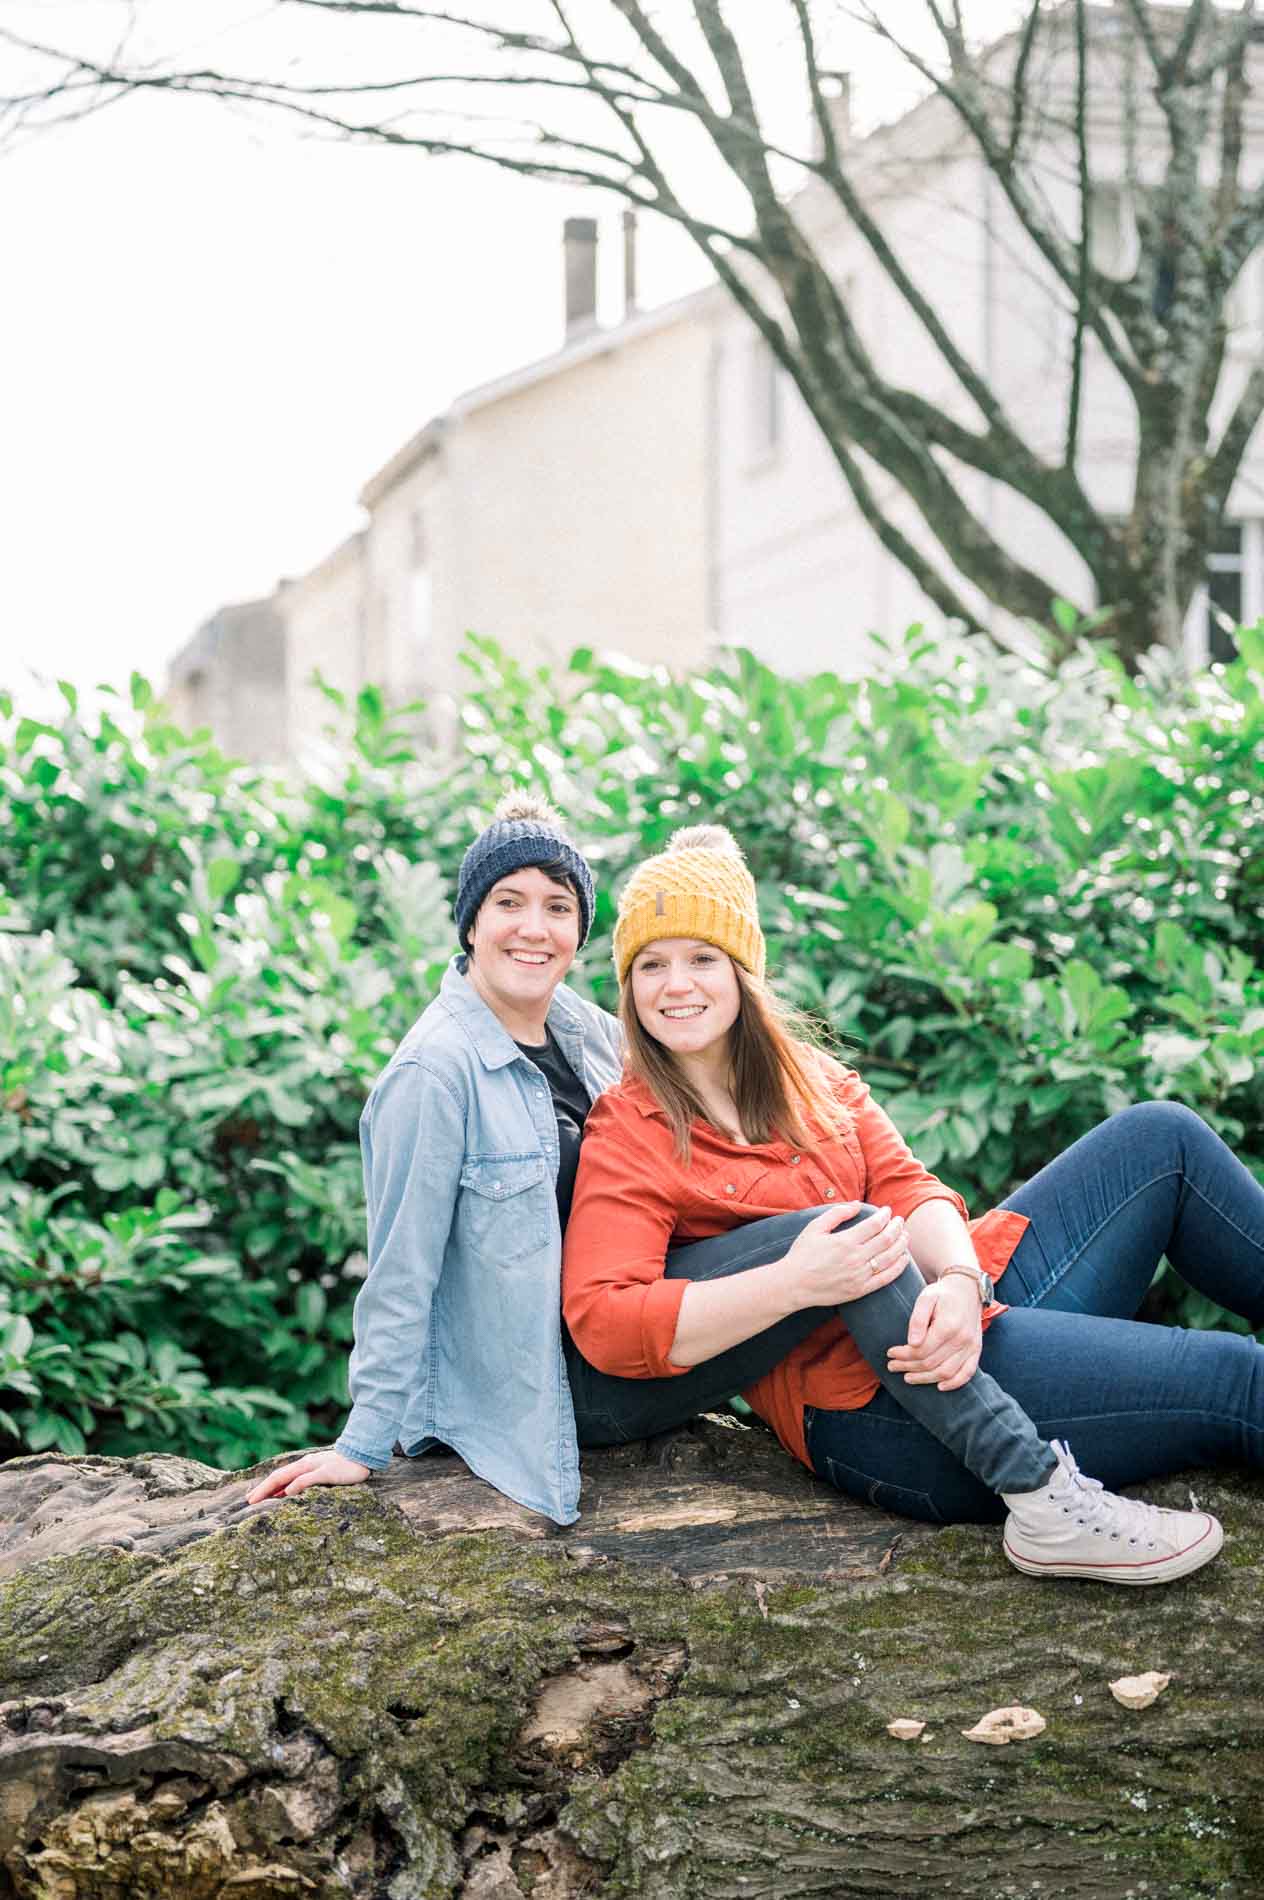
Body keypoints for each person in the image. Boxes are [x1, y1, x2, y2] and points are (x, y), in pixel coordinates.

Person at [562, 824, 1264, 1583]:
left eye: (702, 958)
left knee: (1161, 1138)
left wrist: (962, 1284)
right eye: (651, 965)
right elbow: (604, 1318)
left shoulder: (812, 1079)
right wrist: (793, 1283)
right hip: (878, 1407)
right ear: (628, 987)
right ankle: (1044, 1503)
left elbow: (908, 1186)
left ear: (741, 972)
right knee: (1236, 1380)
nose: (677, 984)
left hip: (952, 1320)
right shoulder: (629, 1128)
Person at [247, 793, 623, 1522]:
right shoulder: (433, 1074)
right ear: (473, 921)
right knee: (831, 1257)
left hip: (620, 1326)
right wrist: (362, 1444)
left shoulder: (587, 1032)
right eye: (509, 902)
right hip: (547, 1388)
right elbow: (400, 1268)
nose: (534, 929)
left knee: (832, 1242)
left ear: (580, 929)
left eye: (558, 907)